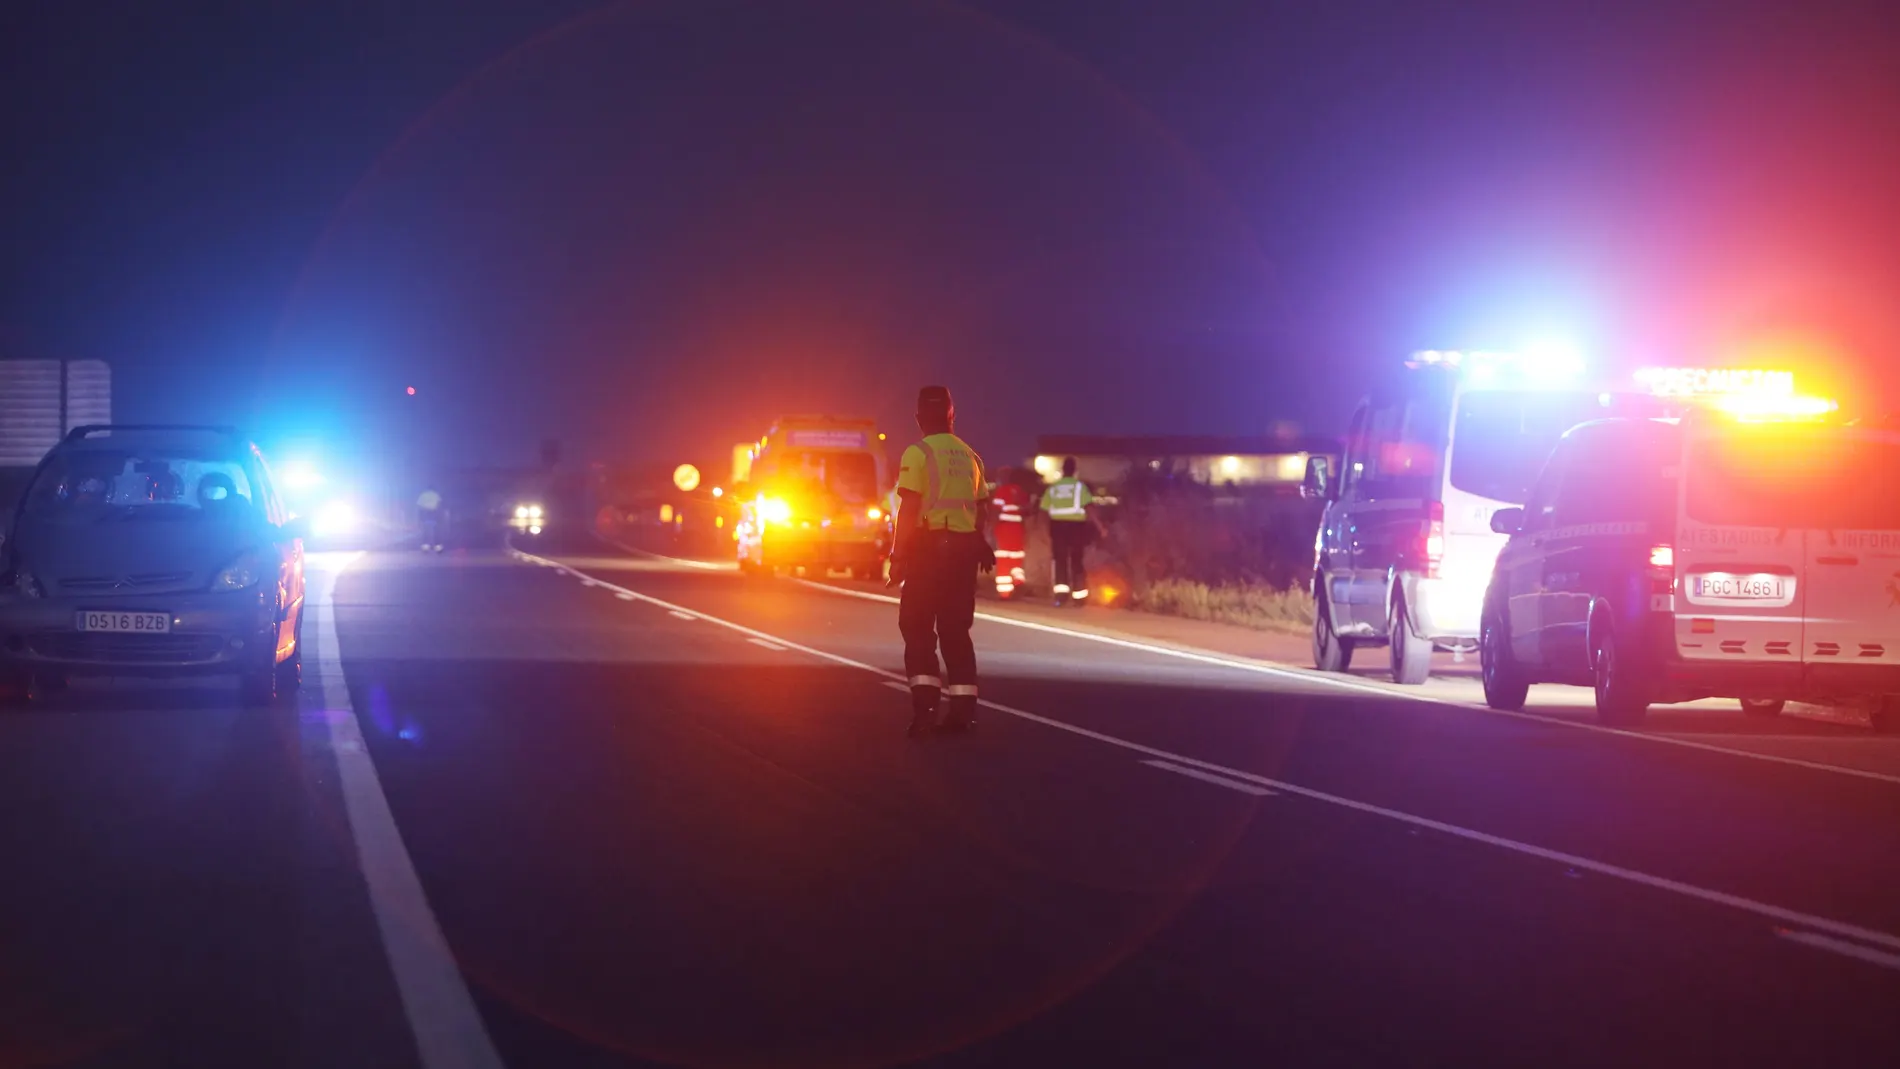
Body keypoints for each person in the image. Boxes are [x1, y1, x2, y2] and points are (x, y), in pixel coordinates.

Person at [889, 385, 994, 737]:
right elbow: (980, 511)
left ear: (919, 418)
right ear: (952, 415)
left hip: (928, 551)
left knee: (917, 628)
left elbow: (909, 509)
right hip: (963, 554)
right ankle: (963, 713)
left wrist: (898, 556)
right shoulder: (971, 457)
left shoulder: (917, 454)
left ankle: (925, 711)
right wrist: (979, 544)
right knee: (956, 632)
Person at [1040, 456, 1095, 605]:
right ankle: (1079, 597)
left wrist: (1045, 529)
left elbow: (1044, 511)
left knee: (1060, 560)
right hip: (1076, 527)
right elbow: (1089, 508)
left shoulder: (1053, 488)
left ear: (1062, 470)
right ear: (1074, 470)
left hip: (1057, 527)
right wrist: (1100, 526)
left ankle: (1061, 597)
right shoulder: (1079, 487)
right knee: (1077, 560)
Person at [987, 469, 1029, 598]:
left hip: (1004, 530)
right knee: (1016, 559)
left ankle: (1005, 592)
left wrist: (991, 528)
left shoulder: (1002, 491)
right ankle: (1018, 580)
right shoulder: (1020, 492)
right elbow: (1026, 510)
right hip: (1018, 530)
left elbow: (996, 511)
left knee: (1004, 560)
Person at [416, 486, 444, 552]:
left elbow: (419, 506)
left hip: (425, 512)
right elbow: (440, 504)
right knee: (436, 530)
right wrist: (440, 515)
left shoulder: (423, 495)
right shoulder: (436, 494)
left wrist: (420, 517)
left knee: (426, 530)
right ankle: (438, 547)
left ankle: (425, 547)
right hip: (434, 513)